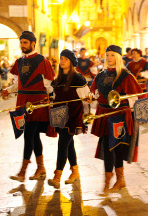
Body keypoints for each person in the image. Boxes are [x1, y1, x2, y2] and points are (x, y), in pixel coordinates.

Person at [1, 31, 55, 182]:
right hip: (22, 100)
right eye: (21, 42)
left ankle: (22, 172)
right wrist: (8, 90)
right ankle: (41, 168)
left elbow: (49, 84)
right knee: (34, 135)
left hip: (37, 102)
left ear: (33, 43)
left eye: (25, 42)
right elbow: (18, 84)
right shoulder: (19, 62)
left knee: (28, 134)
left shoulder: (42, 61)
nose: (22, 45)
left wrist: (52, 100)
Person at [90, 45, 143, 195]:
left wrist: (131, 109)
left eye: (112, 55)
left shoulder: (125, 75)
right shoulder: (100, 75)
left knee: (117, 147)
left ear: (118, 57)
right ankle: (109, 182)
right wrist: (90, 97)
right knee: (108, 147)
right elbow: (94, 93)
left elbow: (136, 96)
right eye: (107, 55)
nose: (109, 58)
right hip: (104, 113)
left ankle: (118, 180)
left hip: (120, 115)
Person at [47, 49, 89, 189]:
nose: (62, 61)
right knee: (68, 143)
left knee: (63, 143)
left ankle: (57, 176)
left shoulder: (78, 78)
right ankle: (75, 171)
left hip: (73, 115)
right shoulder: (57, 79)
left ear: (71, 61)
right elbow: (54, 96)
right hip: (60, 114)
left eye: (65, 58)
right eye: (61, 58)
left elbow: (85, 96)